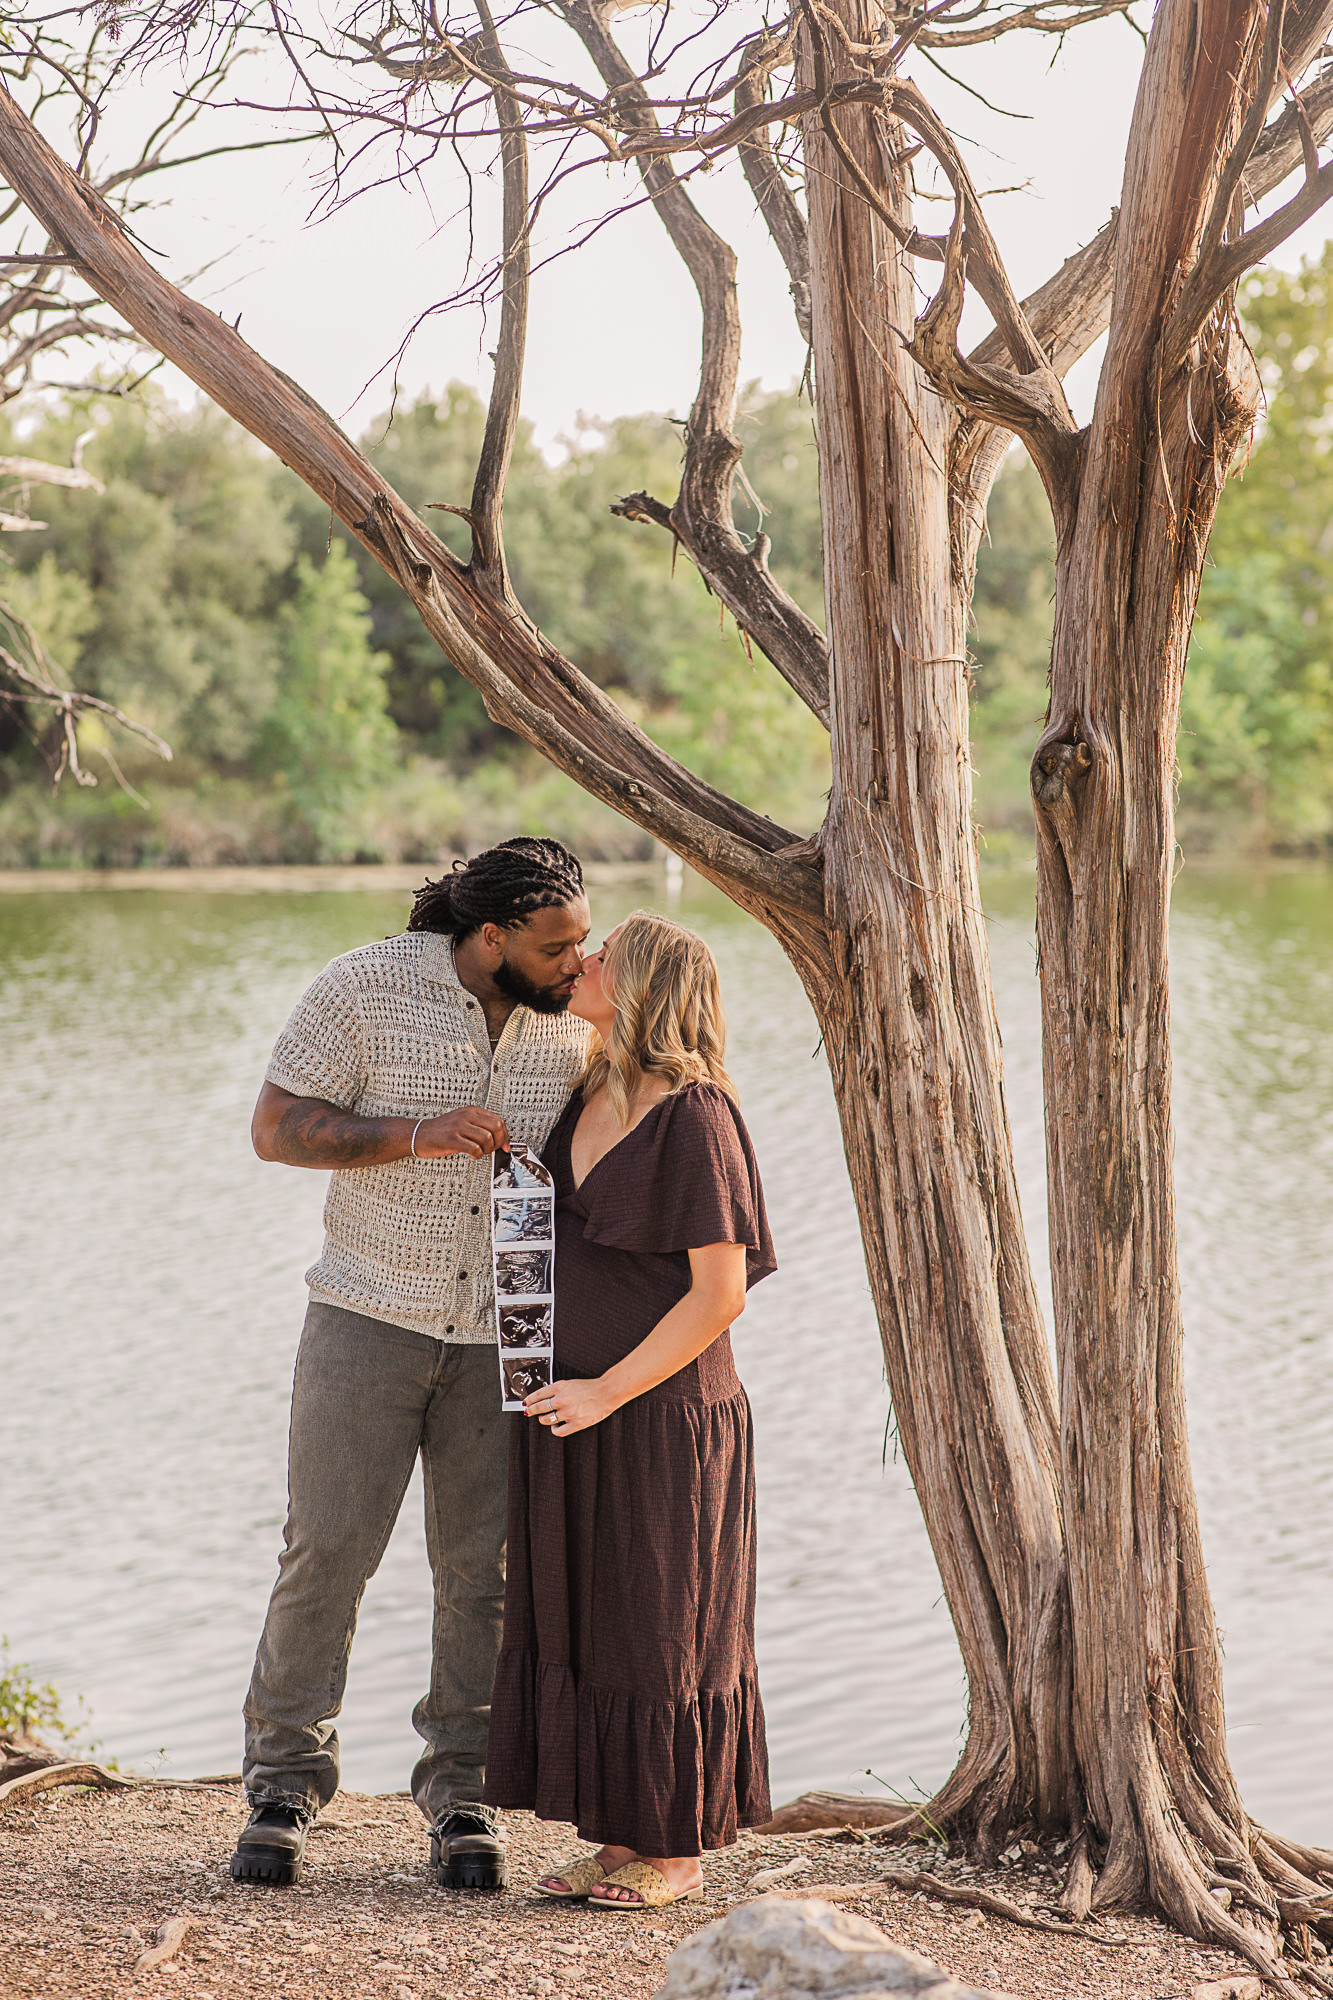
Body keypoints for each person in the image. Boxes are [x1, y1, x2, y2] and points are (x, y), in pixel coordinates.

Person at [230, 838, 594, 1894]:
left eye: (581, 940)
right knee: (326, 1552)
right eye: (557, 943)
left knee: (483, 1573)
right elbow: (274, 1128)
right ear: (490, 938)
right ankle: (283, 1785)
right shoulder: (364, 985)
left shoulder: (581, 1017)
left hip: (507, 1334)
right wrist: (417, 1134)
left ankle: (465, 1794)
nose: (579, 958)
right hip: (366, 1312)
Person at [483, 910, 776, 1912]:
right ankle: (620, 1838)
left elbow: (719, 1292)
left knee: (663, 1627)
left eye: (603, 955)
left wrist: (609, 1387)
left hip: (661, 1418)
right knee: (598, 1620)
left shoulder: (698, 1116)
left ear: (644, 983)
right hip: (572, 1404)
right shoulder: (590, 1086)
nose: (584, 961)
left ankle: (678, 1849)